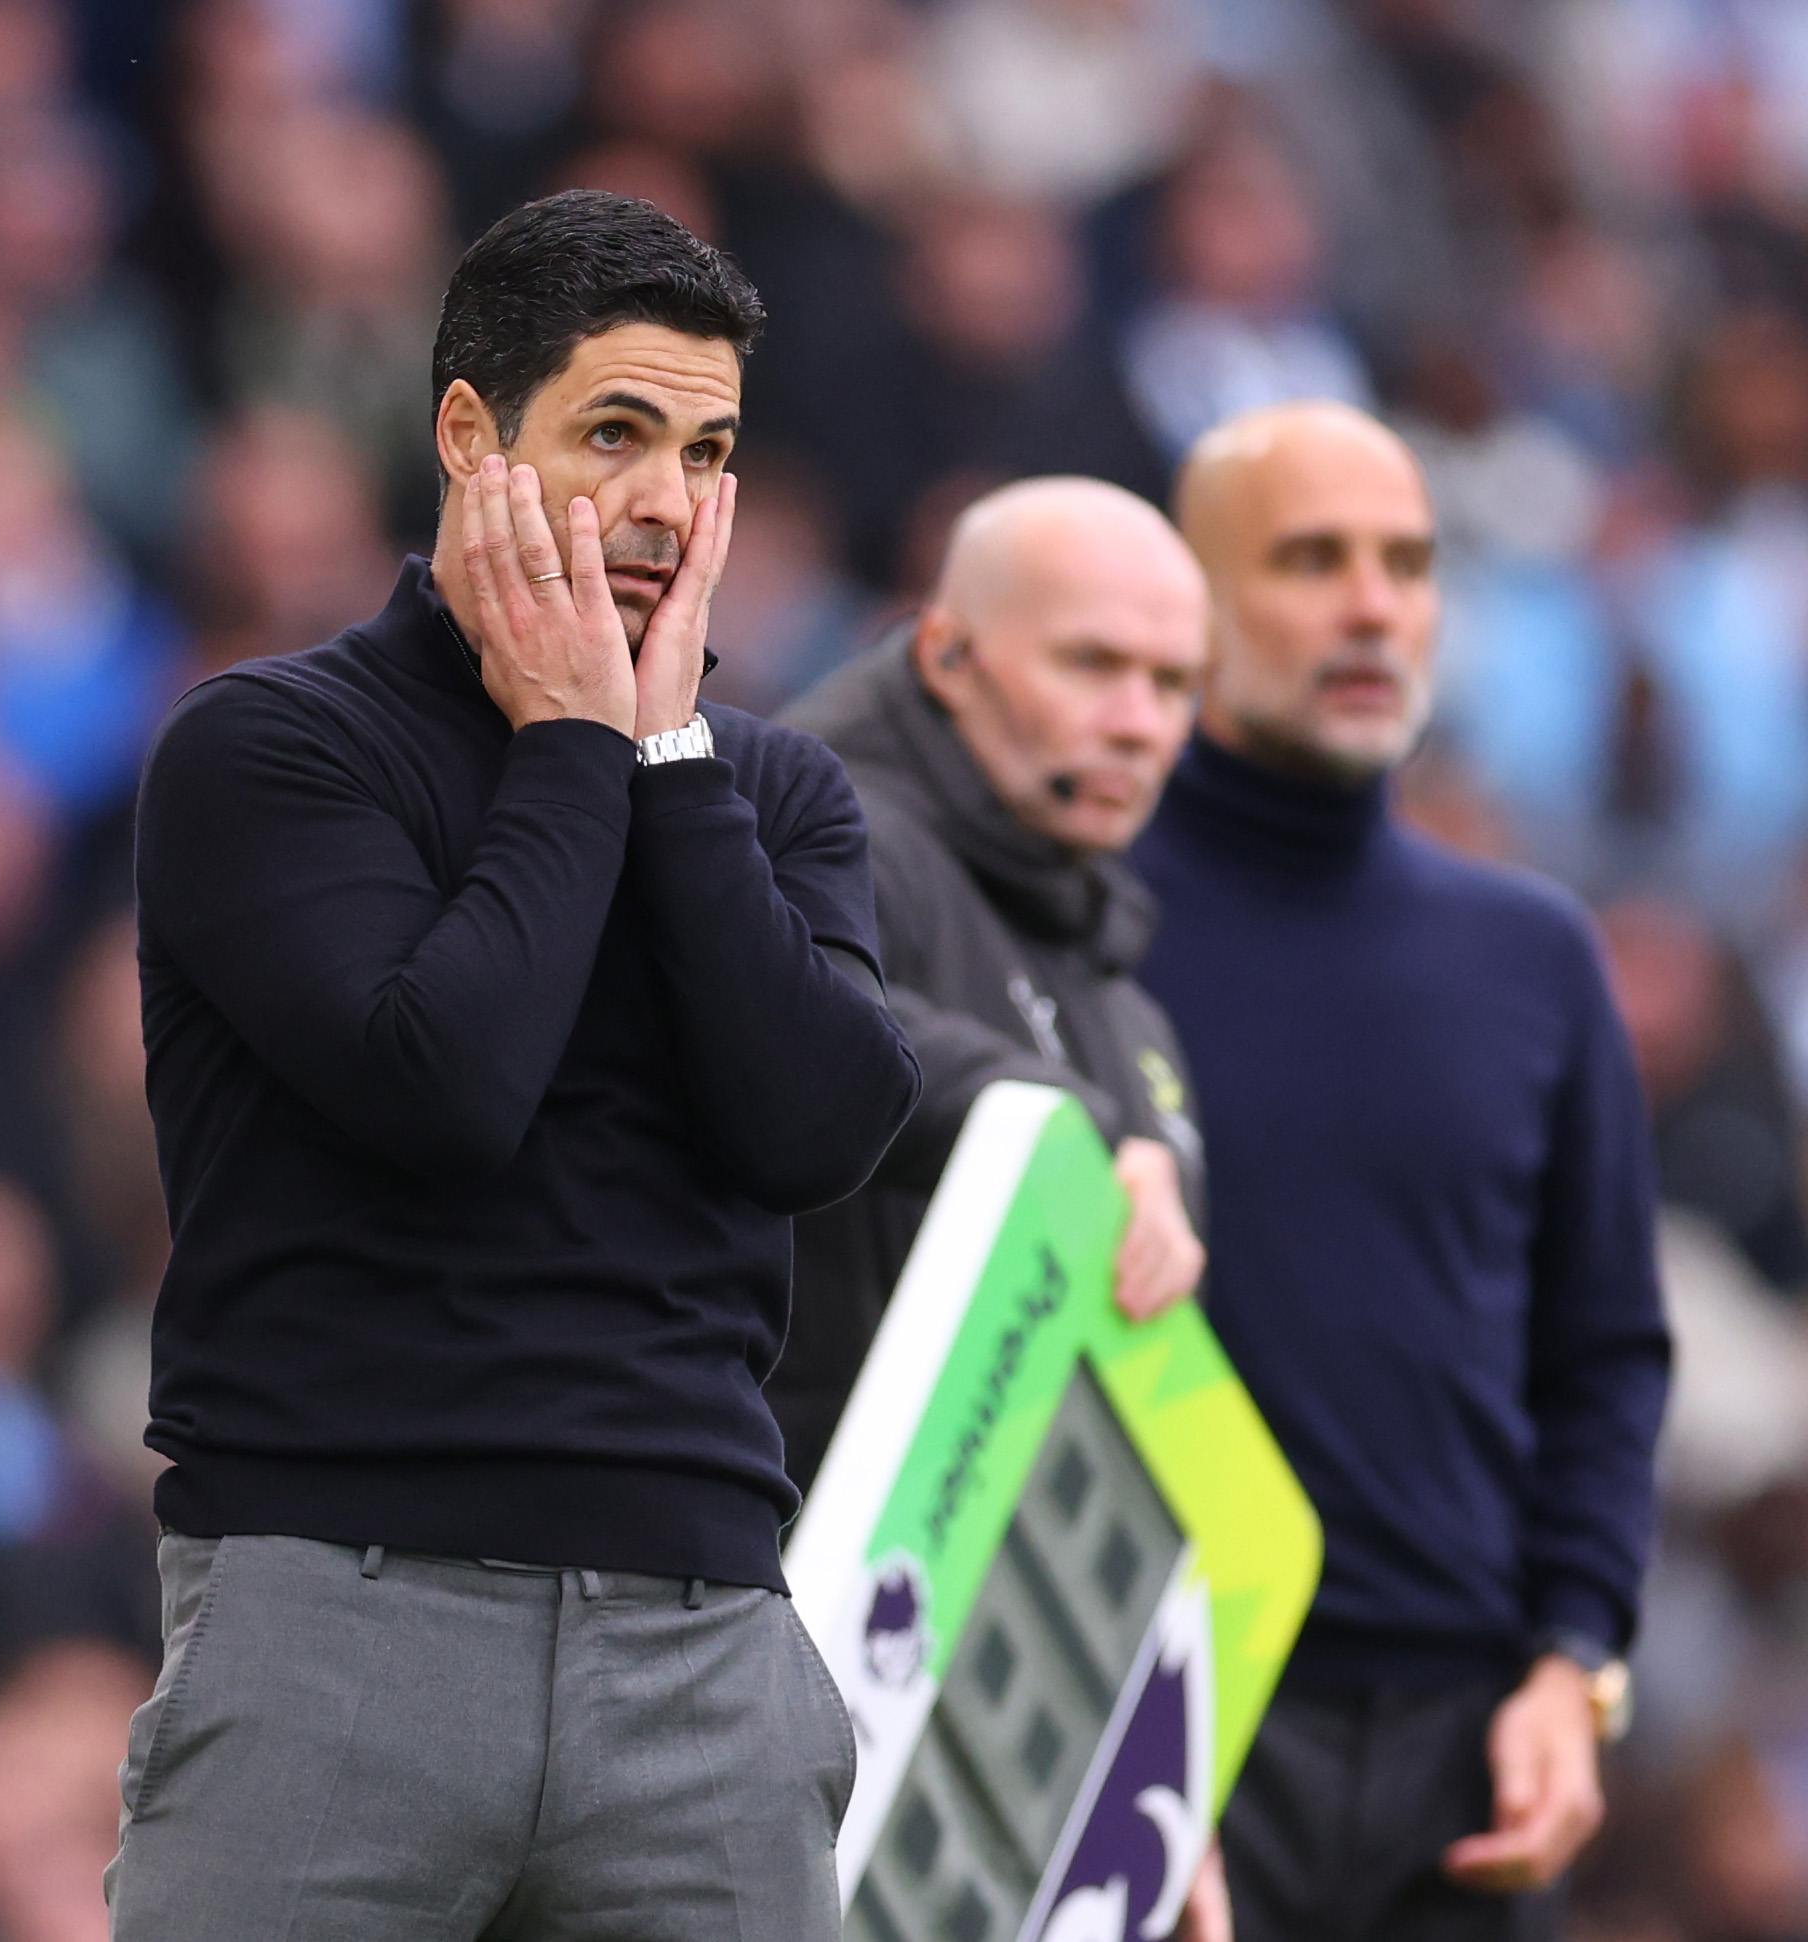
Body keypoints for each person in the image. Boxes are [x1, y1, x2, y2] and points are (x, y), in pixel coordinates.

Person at [114, 190, 919, 1940]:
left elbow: (821, 1124)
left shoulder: (769, 794)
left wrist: (664, 755)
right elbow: (443, 1083)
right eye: (612, 432)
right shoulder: (270, 747)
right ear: (466, 433)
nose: (661, 502)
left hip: (703, 1647)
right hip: (337, 1615)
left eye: (703, 452)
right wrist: (571, 740)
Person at [1132, 402, 1671, 1941]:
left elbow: (1605, 1352)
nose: (1371, 604)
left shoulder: (1533, 955)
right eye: (1310, 559)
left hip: (1466, 1756)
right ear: (1193, 599)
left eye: (1405, 562)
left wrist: (1573, 1662)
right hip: (1167, 1722)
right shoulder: (1069, 928)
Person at [773, 476, 1210, 1492]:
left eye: (1174, 682)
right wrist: (1071, 1129)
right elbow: (811, 1019)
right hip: (784, 1578)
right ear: (946, 655)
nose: (1139, 724)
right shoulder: (810, 840)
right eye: (1092, 663)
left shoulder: (1113, 972)